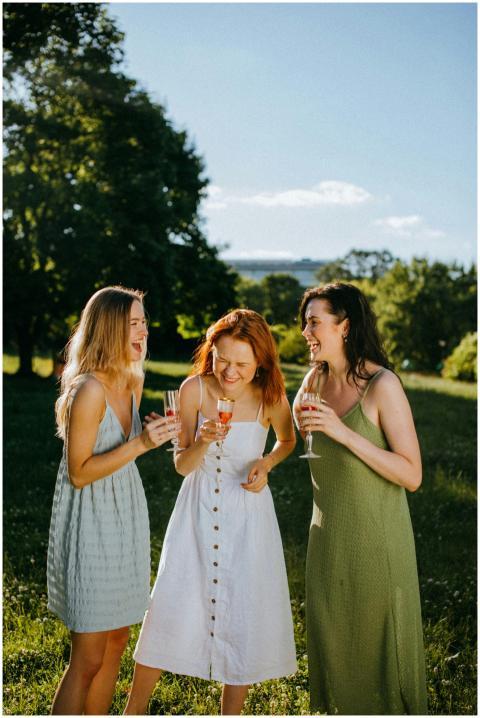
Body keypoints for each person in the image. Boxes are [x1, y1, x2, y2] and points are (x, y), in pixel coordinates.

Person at [125, 309, 298, 715]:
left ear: (261, 362)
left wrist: (266, 465)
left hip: (247, 518)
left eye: (241, 363)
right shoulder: (194, 390)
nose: (230, 371)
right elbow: (183, 465)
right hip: (196, 516)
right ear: (211, 351)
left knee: (241, 609)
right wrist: (200, 442)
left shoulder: (270, 397)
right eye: (222, 359)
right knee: (171, 603)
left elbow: (287, 440)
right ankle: (133, 711)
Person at [294, 282, 427, 715]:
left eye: (314, 321)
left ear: (344, 326)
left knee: (378, 659)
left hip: (376, 546)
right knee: (333, 655)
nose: (305, 331)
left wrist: (343, 433)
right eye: (305, 322)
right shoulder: (313, 382)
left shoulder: (382, 384)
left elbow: (412, 474)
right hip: (327, 546)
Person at [47, 286, 180, 715]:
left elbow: (121, 445)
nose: (143, 331)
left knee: (117, 641)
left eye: (144, 322)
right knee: (86, 659)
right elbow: (80, 471)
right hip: (92, 523)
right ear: (109, 329)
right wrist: (141, 444)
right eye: (134, 323)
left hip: (125, 518)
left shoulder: (132, 382)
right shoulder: (88, 390)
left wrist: (149, 431)